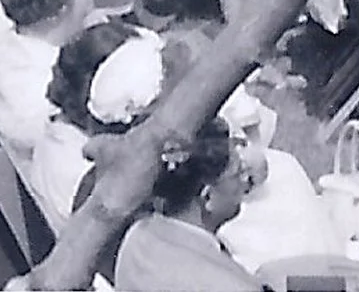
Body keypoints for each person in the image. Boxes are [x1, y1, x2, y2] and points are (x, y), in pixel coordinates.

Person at [110, 121, 262, 292]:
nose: (247, 181)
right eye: (238, 173)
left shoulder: (138, 234)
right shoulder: (228, 285)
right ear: (208, 196)